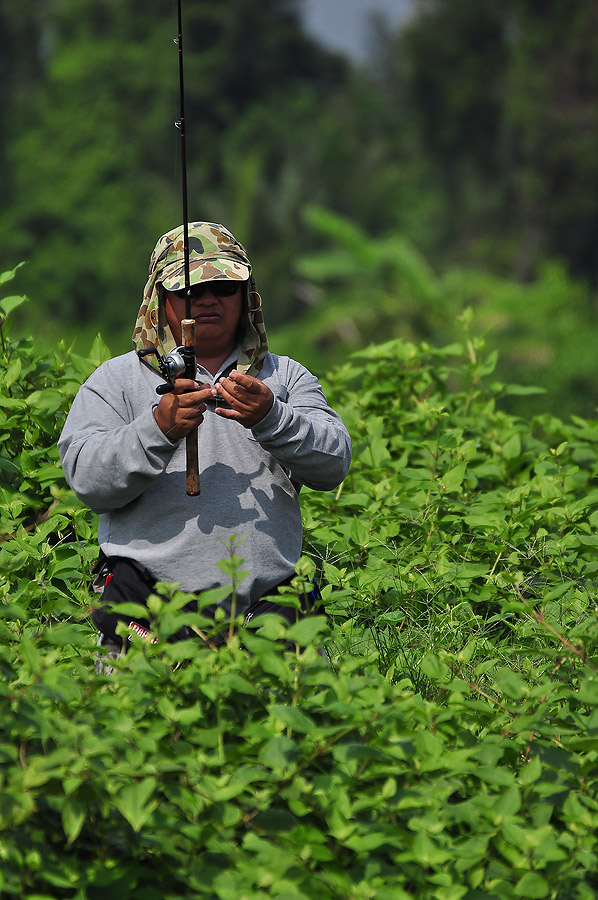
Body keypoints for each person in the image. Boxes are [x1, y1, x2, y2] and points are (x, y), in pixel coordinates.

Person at [58, 222, 352, 659]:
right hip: (147, 613)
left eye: (224, 286)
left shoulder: (286, 377)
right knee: (140, 728)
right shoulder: (114, 382)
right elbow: (87, 480)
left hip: (270, 613)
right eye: (189, 289)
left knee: (291, 727)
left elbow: (334, 464)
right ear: (159, 301)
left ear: (247, 296)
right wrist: (158, 428)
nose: (208, 299)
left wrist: (271, 417)